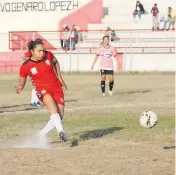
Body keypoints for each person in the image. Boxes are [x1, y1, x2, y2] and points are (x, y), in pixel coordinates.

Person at [16, 39, 67, 142]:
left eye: (43, 50)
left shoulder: (49, 55)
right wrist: (20, 87)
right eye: (39, 51)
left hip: (57, 88)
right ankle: (61, 132)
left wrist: (59, 76)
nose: (42, 53)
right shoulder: (25, 66)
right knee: (53, 111)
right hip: (42, 90)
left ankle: (40, 135)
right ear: (32, 51)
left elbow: (55, 62)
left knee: (59, 116)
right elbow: (22, 81)